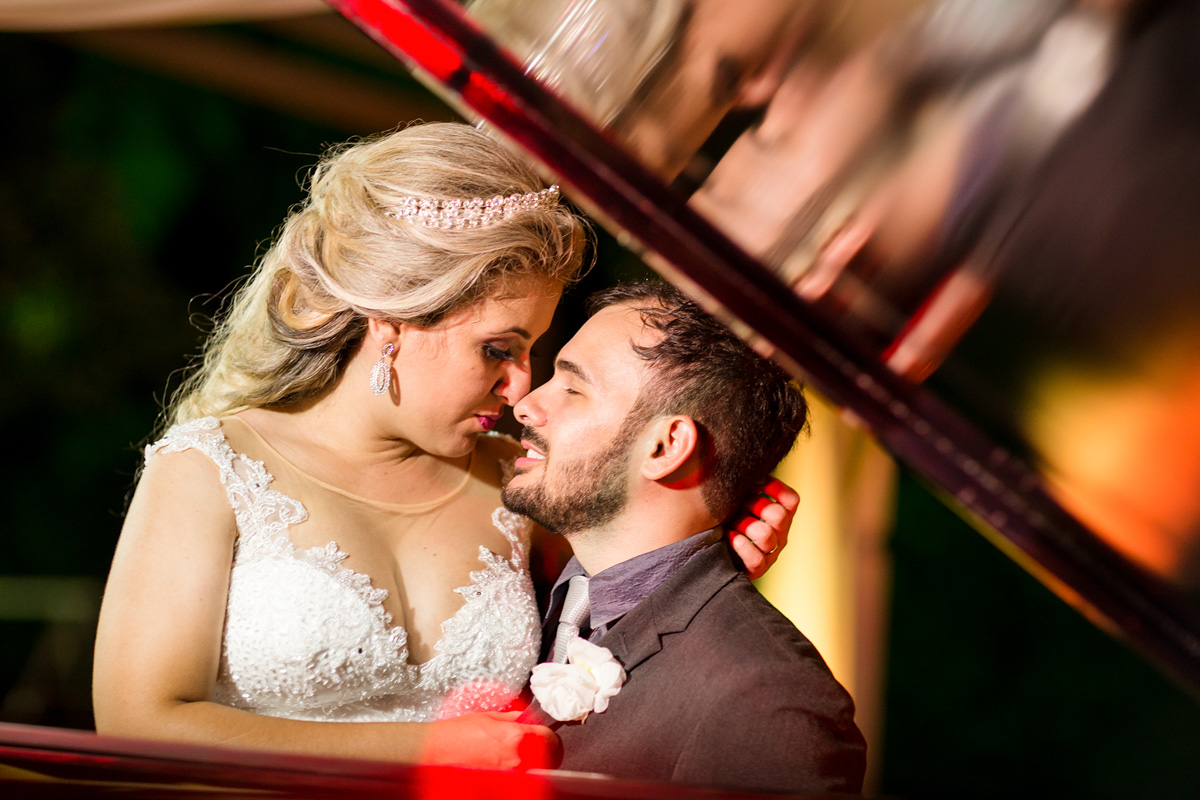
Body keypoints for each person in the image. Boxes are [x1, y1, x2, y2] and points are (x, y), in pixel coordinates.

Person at [92, 122, 793, 770]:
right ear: (393, 319)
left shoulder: (513, 488)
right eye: (497, 349)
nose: (521, 387)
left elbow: (612, 628)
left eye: (533, 352)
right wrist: (425, 748)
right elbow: (135, 722)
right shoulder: (212, 469)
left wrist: (700, 555)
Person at [504, 282, 867, 793]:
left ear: (667, 446)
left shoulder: (767, 702)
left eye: (572, 388)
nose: (526, 404)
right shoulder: (514, 587)